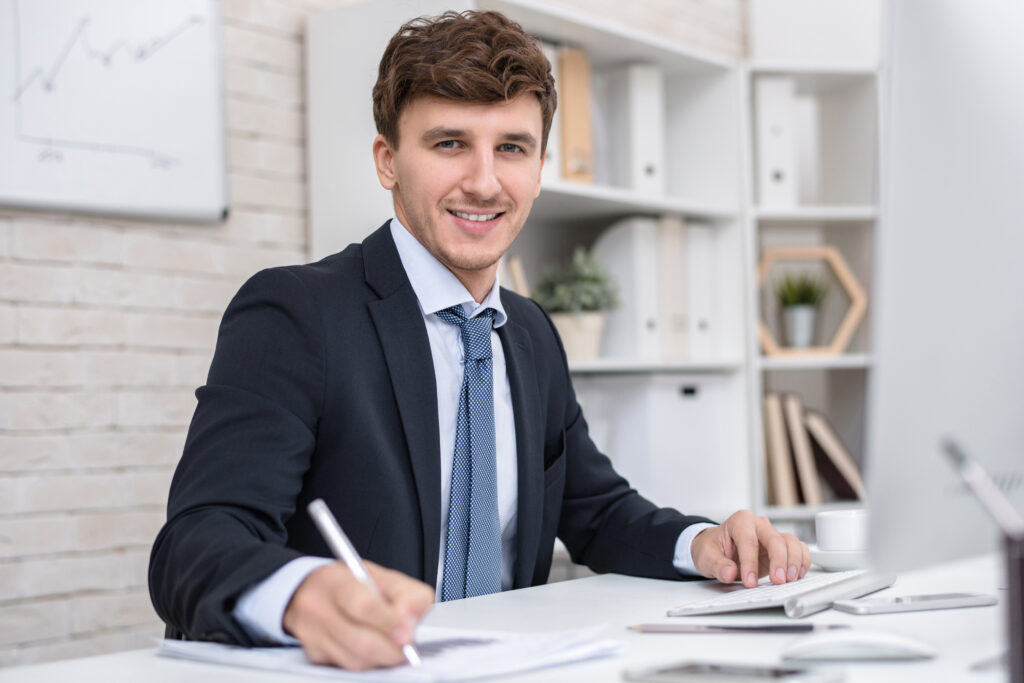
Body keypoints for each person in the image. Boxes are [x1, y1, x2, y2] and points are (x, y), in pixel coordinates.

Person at [149, 9, 810, 672]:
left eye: (512, 148)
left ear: (540, 166)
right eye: (449, 144)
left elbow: (597, 512)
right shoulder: (296, 314)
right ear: (388, 161)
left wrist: (703, 542)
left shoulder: (528, 332)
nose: (485, 181)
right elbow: (196, 543)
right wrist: (300, 593)